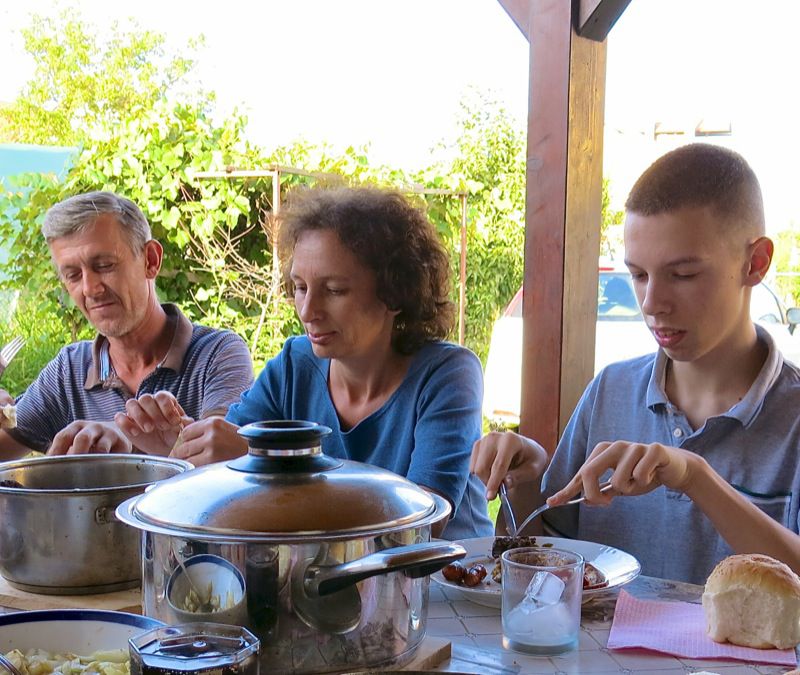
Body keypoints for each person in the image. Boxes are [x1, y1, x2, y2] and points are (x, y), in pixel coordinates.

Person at [471, 143, 800, 584]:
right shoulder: (611, 390)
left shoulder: (792, 418)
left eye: (683, 275)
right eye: (639, 274)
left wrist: (694, 477)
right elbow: (545, 564)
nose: (652, 303)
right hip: (593, 654)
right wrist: (526, 479)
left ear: (755, 263)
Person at [154, 185, 493, 540]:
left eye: (333, 290)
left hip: (449, 584)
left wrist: (270, 464)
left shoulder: (448, 373)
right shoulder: (292, 366)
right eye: (300, 287)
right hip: (333, 582)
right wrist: (180, 449)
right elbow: (228, 465)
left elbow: (424, 519)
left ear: (394, 294)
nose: (307, 311)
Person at [0, 191, 254, 460]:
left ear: (151, 261)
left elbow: (219, 454)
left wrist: (123, 436)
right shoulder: (68, 371)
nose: (90, 288)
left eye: (105, 265)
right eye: (73, 275)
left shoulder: (217, 354)